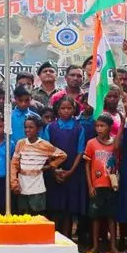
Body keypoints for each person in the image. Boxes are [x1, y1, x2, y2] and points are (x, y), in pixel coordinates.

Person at [45, 96, 87, 237]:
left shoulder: (78, 128)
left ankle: (67, 237)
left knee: (69, 208)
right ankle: (54, 238)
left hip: (72, 172)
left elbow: (80, 152)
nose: (66, 111)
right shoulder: (51, 128)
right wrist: (54, 170)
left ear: (74, 110)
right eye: (63, 108)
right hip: (54, 172)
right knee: (56, 207)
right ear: (57, 110)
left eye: (69, 108)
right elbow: (46, 150)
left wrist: (71, 171)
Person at [10, 115, 66, 215]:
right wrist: (14, 182)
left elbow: (62, 155)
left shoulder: (45, 145)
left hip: (37, 187)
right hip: (22, 187)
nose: (27, 130)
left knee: (37, 216)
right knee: (23, 216)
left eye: (31, 127)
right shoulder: (20, 143)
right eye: (26, 127)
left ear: (38, 129)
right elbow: (14, 164)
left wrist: (50, 166)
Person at [83, 113, 119, 253]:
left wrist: (122, 122)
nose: (99, 128)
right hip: (97, 185)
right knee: (95, 217)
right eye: (97, 125)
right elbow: (87, 165)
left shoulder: (114, 143)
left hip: (111, 185)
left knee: (111, 216)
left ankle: (113, 246)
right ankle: (95, 245)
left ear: (110, 127)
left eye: (102, 126)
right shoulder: (91, 143)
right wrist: (90, 185)